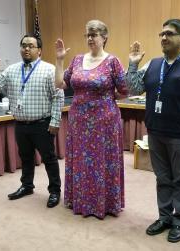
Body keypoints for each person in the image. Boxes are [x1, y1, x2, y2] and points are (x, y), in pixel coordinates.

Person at [126, 19, 180, 242]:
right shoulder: (153, 64)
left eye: (169, 34)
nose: (163, 38)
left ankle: (179, 220)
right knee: (162, 177)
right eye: (161, 34)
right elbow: (134, 87)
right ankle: (164, 217)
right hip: (156, 132)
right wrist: (134, 64)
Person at [55, 20, 128, 219]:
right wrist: (60, 60)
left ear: (104, 37)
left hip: (104, 122)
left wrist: (104, 100)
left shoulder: (112, 61)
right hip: (78, 121)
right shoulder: (77, 60)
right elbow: (60, 84)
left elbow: (124, 91)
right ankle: (80, 200)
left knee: (103, 162)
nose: (90, 38)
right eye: (87, 34)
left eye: (94, 34)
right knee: (81, 161)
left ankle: (105, 204)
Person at [0, 34, 64, 208]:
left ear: (39, 51)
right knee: (26, 157)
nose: (26, 48)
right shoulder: (12, 69)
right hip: (20, 124)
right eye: (23, 45)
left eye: (30, 46)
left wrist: (55, 121)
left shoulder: (49, 69)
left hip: (42, 123)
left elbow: (58, 96)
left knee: (49, 159)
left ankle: (55, 191)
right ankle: (27, 186)